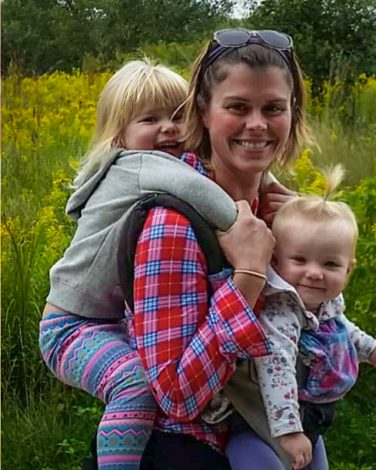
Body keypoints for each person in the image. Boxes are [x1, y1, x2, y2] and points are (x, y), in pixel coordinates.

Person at [39, 59, 239, 470]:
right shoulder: (140, 165)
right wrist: (244, 228)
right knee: (134, 383)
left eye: (179, 116)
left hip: (100, 322)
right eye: (150, 119)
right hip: (69, 329)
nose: (169, 127)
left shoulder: (146, 166)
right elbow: (209, 198)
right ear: (120, 136)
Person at [127, 28, 311, 469]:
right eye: (237, 107)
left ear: (293, 114)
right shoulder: (174, 224)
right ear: (203, 113)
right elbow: (176, 396)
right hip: (190, 451)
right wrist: (247, 277)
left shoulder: (278, 213)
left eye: (273, 109)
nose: (257, 125)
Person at [225, 166, 376, 470]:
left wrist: (370, 349)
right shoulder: (281, 310)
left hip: (308, 420)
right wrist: (289, 433)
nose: (315, 273)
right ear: (277, 262)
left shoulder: (327, 302)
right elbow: (275, 365)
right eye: (300, 260)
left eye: (331, 264)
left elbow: (342, 330)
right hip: (263, 424)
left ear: (348, 270)